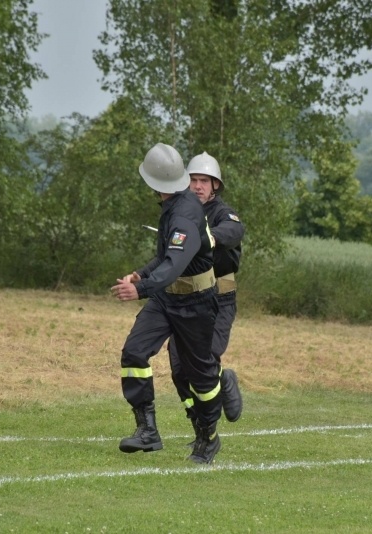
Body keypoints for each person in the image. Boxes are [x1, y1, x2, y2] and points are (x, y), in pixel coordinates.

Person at [111, 142, 223, 464]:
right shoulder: (172, 204)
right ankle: (147, 431)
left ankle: (208, 437)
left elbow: (174, 265)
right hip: (166, 298)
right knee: (134, 352)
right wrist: (140, 273)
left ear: (154, 182)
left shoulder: (186, 214)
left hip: (196, 303)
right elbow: (164, 257)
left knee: (200, 378)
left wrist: (141, 288)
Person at [167, 152, 244, 444]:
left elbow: (234, 231)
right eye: (193, 180)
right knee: (178, 369)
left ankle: (224, 377)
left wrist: (208, 237)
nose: (198, 186)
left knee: (206, 358)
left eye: (204, 181)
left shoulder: (224, 214)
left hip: (219, 298)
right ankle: (200, 428)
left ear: (215, 186)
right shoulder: (179, 213)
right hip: (183, 299)